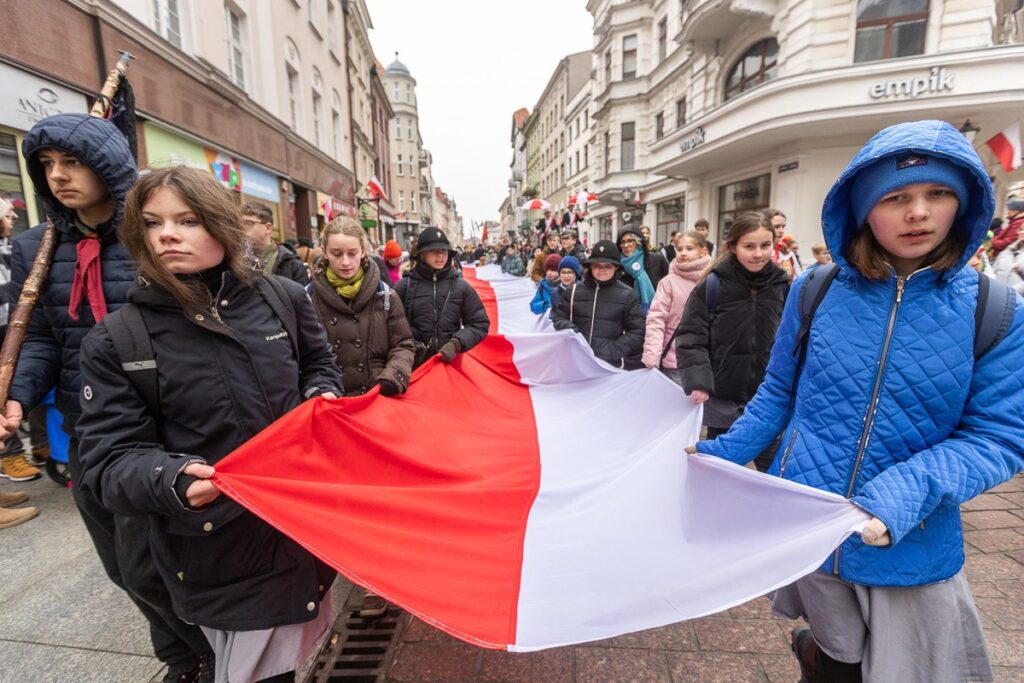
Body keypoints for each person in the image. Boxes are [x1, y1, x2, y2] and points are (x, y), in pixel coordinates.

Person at [689, 120, 1024, 683]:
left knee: (904, 670)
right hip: (811, 524)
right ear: (864, 208)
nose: (918, 212)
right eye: (896, 198)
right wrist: (717, 457)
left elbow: (999, 435)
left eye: (938, 194)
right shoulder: (815, 288)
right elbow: (778, 393)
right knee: (837, 662)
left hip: (907, 536)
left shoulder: (997, 309)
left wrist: (901, 495)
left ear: (964, 203)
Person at [76, 166, 343, 683]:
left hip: (306, 529)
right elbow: (107, 463)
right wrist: (171, 480)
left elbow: (318, 366)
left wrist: (321, 397)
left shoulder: (283, 298)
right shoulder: (117, 340)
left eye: (188, 220)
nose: (167, 235)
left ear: (222, 224)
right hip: (219, 550)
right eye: (153, 223)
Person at [0, 114, 213, 681]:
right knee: (123, 567)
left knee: (158, 564)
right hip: (87, 428)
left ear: (106, 165)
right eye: (46, 166)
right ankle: (183, 656)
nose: (58, 176)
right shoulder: (36, 248)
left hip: (163, 426)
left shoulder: (151, 233)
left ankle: (208, 655)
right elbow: (44, 337)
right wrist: (19, 393)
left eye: (72, 162)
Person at [676, 211, 789, 471]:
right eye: (749, 246)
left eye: (765, 245)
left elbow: (793, 340)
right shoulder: (713, 285)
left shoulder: (782, 285)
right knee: (721, 469)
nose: (758, 253)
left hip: (766, 400)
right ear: (734, 247)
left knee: (773, 474)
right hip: (722, 399)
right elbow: (691, 336)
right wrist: (699, 380)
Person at [394, 227, 489, 368]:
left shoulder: (461, 286)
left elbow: (479, 324)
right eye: (433, 250)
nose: (440, 255)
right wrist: (410, 342)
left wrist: (456, 343)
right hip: (413, 366)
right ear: (422, 254)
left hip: (450, 365)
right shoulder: (404, 286)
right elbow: (391, 325)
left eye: (444, 250)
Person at [552, 240, 645, 369]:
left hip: (609, 365)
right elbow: (559, 317)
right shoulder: (572, 291)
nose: (602, 270)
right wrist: (571, 330)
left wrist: (613, 350)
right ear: (590, 266)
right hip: (576, 361)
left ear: (616, 267)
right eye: (597, 265)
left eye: (607, 266)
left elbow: (637, 331)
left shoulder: (628, 295)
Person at [642, 231, 711, 385]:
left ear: (703, 251)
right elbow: (656, 320)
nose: (683, 253)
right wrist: (652, 356)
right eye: (679, 249)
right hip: (676, 362)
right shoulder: (668, 283)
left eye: (689, 248)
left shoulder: (714, 280)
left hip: (709, 362)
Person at [241, 201, 309, 286]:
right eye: (239, 224)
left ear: (268, 228)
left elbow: (300, 297)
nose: (241, 228)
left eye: (248, 223)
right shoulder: (234, 260)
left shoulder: (292, 264)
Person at [616, 224, 670, 312]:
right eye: (622, 242)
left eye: (630, 241)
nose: (626, 245)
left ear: (638, 242)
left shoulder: (657, 260)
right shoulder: (617, 265)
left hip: (655, 313)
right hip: (627, 315)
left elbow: (669, 286)